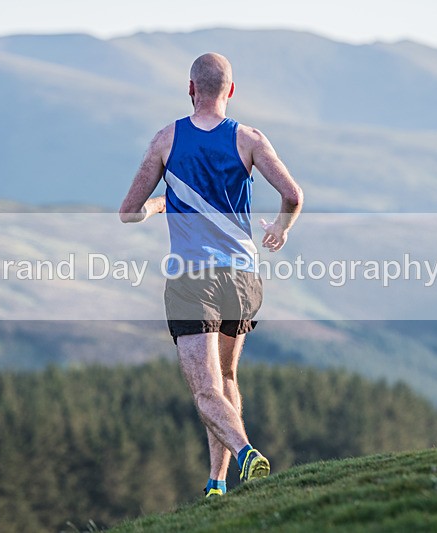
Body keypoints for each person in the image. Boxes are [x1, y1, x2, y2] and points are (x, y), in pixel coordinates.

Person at [119, 52, 303, 497]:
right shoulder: (250, 139)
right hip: (241, 276)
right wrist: (279, 228)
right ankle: (217, 484)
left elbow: (129, 213)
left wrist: (161, 203)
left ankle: (244, 452)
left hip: (191, 277)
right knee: (226, 380)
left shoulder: (167, 139)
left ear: (190, 89)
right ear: (231, 92)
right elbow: (293, 195)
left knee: (204, 390)